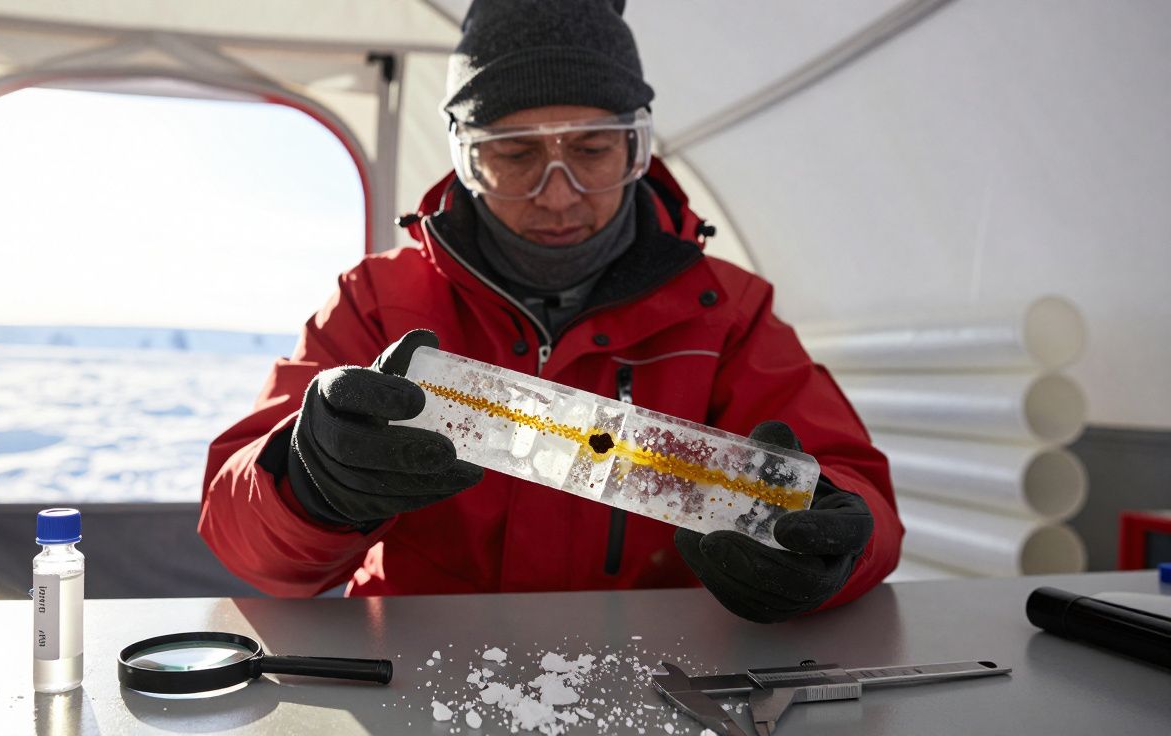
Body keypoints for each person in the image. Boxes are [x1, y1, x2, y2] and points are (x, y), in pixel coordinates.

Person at [200, 0, 902, 623]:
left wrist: (828, 551)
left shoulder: (726, 313)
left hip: (662, 678)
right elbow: (247, 546)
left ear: (636, 147)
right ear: (468, 160)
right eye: (514, 154)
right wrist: (305, 478)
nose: (558, 194)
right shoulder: (377, 300)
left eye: (592, 150)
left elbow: (856, 492)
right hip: (414, 679)